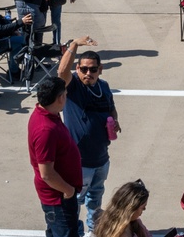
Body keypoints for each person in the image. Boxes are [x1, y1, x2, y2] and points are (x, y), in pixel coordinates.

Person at [58, 36, 120, 235]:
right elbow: (61, 72)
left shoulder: (104, 87)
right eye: (84, 69)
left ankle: (94, 231)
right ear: (77, 69)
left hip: (101, 159)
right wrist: (74, 45)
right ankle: (72, 231)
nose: (88, 73)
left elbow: (111, 108)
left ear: (100, 70)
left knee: (96, 198)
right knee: (74, 200)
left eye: (93, 69)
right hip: (79, 162)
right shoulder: (73, 86)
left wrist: (114, 120)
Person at [28, 77, 84, 237]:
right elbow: (46, 173)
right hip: (58, 199)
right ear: (60, 98)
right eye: (65, 94)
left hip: (58, 197)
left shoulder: (46, 112)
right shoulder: (45, 129)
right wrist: (68, 191)